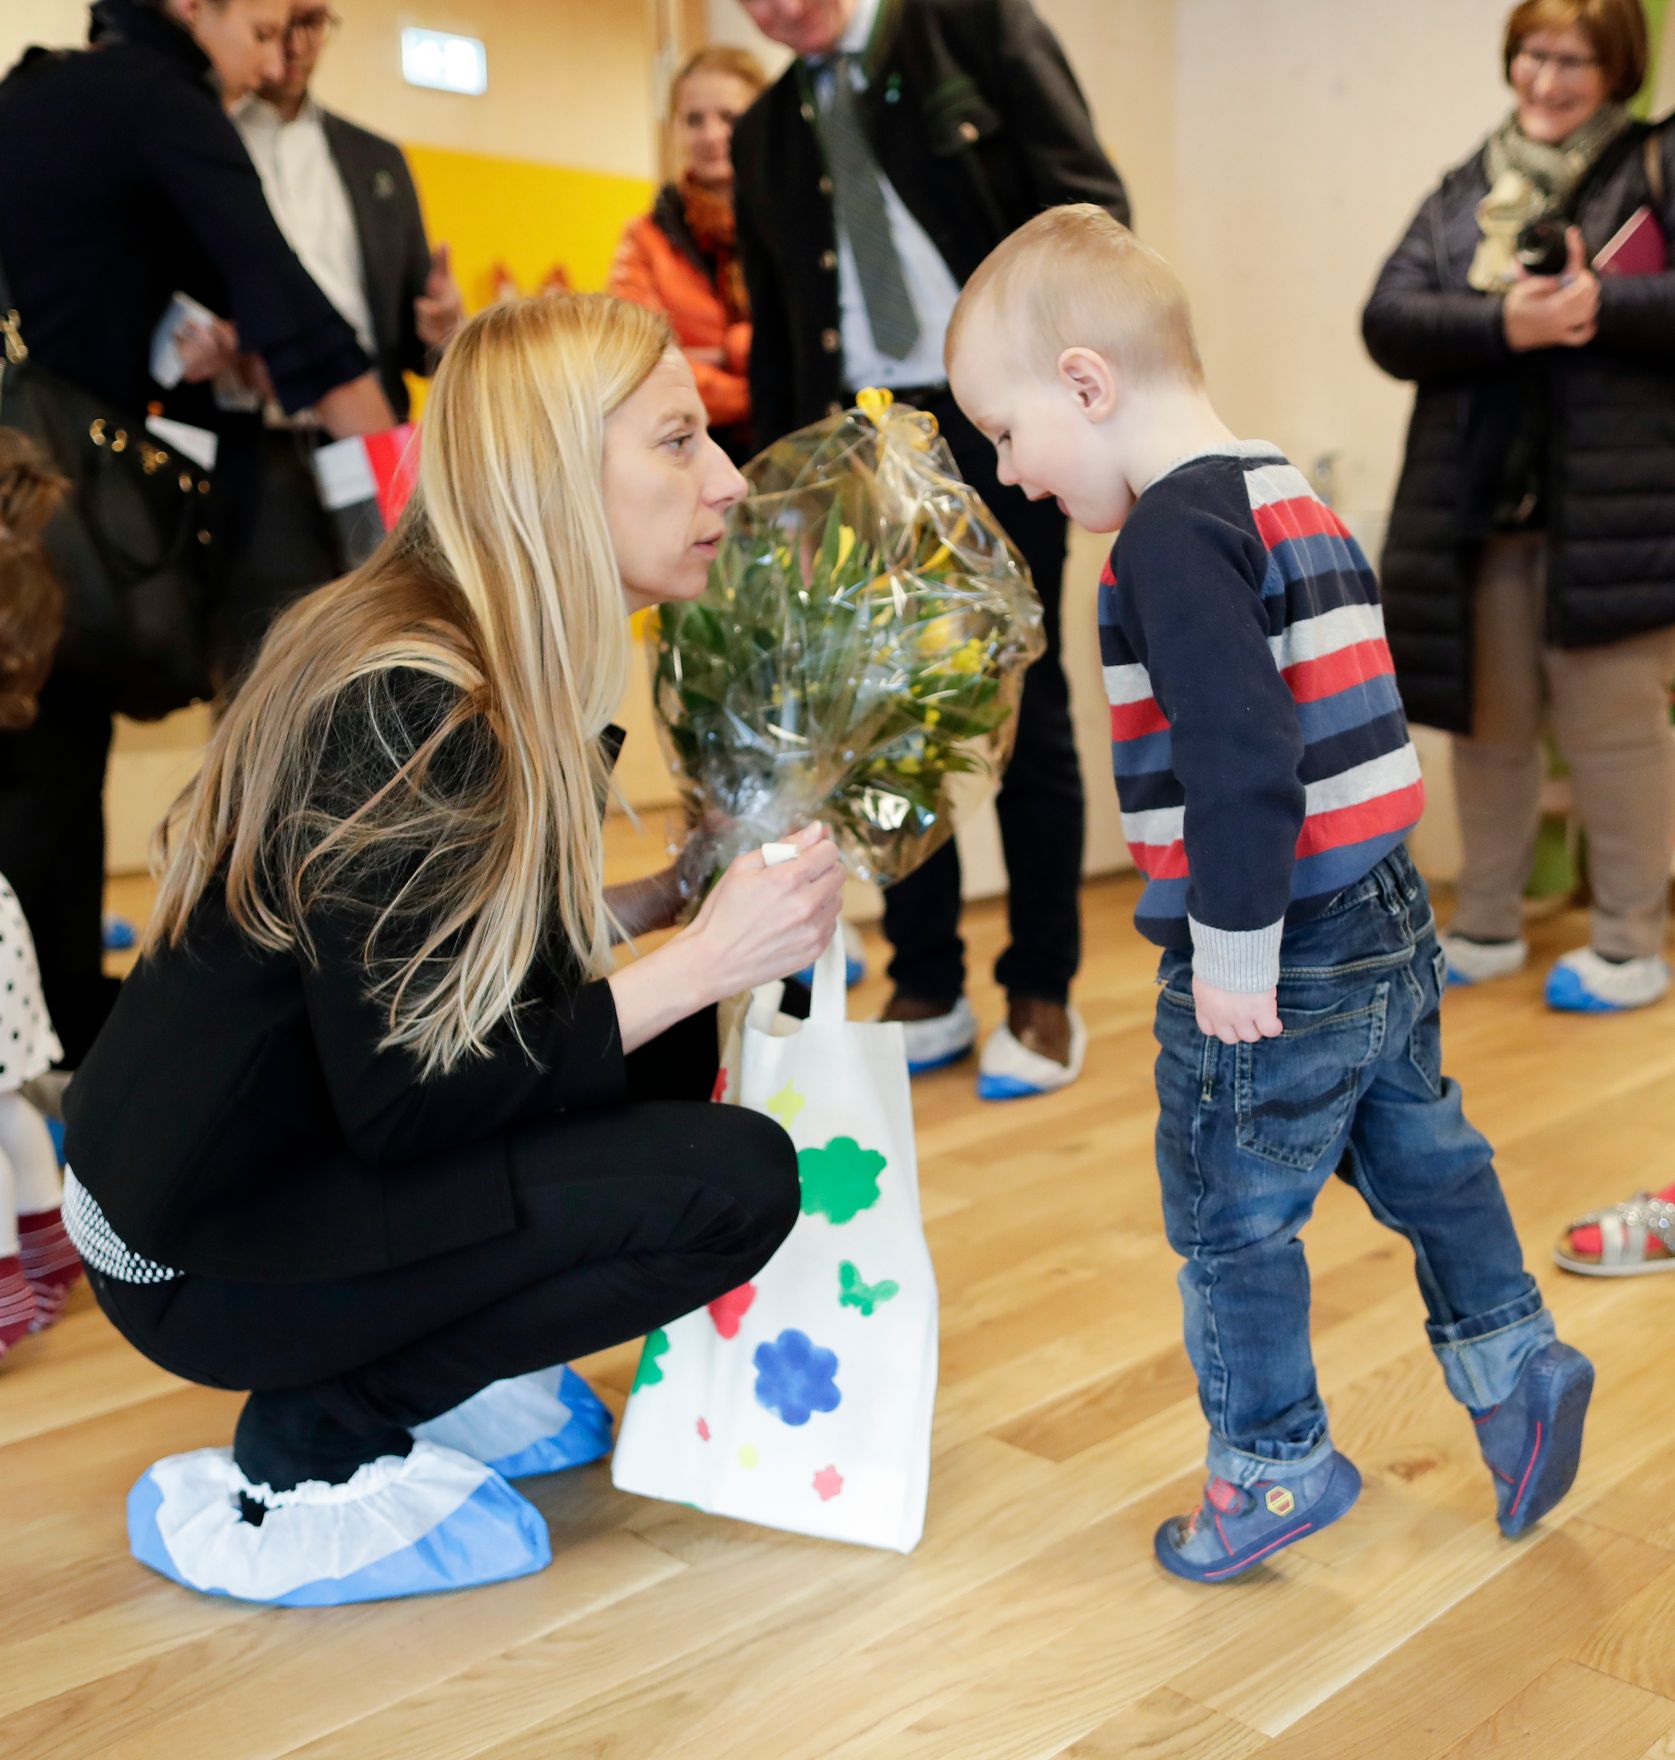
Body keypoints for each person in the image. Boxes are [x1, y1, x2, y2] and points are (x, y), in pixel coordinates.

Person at [60, 293, 845, 1606]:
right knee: (732, 1180)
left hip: (263, 1166)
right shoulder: (414, 703)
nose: (721, 481)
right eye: (674, 442)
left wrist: (658, 902)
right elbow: (411, 1095)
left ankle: (411, 1352)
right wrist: (705, 958)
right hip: (195, 1253)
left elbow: (418, 967)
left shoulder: (461, 650)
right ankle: (319, 1429)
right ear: (553, 472)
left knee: (658, 1078)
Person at [945, 204, 1593, 1581]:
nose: (1010, 472)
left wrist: (1231, 945)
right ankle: (1511, 1359)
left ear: (1084, 382)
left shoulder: (1166, 540)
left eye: (1005, 433)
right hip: (1382, 915)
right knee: (1419, 1151)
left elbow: (1243, 757)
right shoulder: (1280, 490)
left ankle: (1269, 1465)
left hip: (1276, 937)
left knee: (1226, 1212)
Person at [731, 0, 1131, 1099]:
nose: (771, 8)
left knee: (1021, 700)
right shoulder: (762, 129)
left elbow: (1088, 211)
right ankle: (925, 980)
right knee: (884, 715)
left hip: (998, 416)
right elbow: (773, 323)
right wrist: (780, 492)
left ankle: (1041, 989)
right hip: (851, 434)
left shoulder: (974, 30)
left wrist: (1074, 400)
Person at [0, 0, 394, 1068]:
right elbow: (293, 312)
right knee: (45, 775)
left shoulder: (36, 91)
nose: (269, 62)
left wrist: (180, 336)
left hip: (25, 499)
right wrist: (409, 510)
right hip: (54, 508)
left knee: (45, 759)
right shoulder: (160, 100)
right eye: (261, 29)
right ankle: (58, 1061)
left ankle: (53, 1033)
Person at [1363, 0, 1675, 1014]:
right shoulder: (1465, 187)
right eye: (1533, 54)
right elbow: (1388, 317)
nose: (1545, 78)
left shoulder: (1653, 165)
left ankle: (1630, 939)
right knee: (1486, 729)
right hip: (1476, 513)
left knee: (1614, 731)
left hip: (1616, 511)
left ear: (1617, 68)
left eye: (1573, 60)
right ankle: (1485, 920)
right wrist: (1505, 322)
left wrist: (1600, 308)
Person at [221, 0, 467, 678]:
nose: (297, 45)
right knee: (266, 667)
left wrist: (444, 327)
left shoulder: (374, 159)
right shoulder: (210, 142)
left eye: (315, 22)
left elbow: (419, 326)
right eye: (283, 23)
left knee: (394, 647)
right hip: (261, 444)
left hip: (372, 442)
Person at [0, 433, 83, 1362]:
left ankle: (3, 1294)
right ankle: (48, 1249)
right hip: (4, 922)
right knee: (9, 1100)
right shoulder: (26, 585)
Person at [609, 46, 767, 463]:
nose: (712, 135)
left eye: (729, 118)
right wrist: (764, 381)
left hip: (800, 440)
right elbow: (638, 364)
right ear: (675, 128)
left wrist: (726, 349)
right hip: (688, 450)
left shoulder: (800, 223)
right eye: (694, 120)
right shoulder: (645, 238)